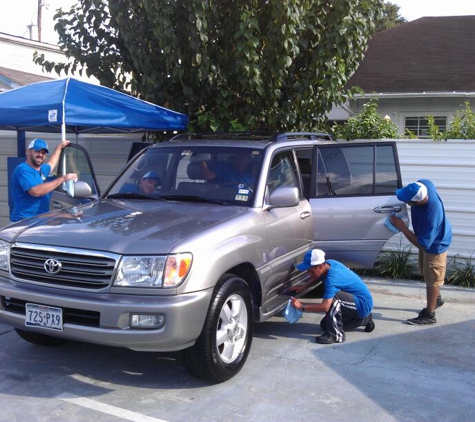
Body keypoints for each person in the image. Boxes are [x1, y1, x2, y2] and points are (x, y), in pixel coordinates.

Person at [390, 179, 452, 325]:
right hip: (427, 238)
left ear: (417, 202)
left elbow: (422, 244)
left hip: (435, 245)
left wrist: (402, 227)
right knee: (426, 272)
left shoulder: (431, 215)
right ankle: (436, 299)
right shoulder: (425, 184)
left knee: (432, 279)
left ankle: (430, 314)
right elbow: (425, 182)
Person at [290, 249, 374, 344]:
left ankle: (336, 335)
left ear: (320, 266)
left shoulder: (332, 279)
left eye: (310, 270)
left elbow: (325, 307)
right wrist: (303, 287)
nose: (309, 273)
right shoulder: (330, 263)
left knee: (334, 298)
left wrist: (302, 307)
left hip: (363, 304)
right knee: (325, 325)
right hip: (354, 300)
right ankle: (364, 319)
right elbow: (316, 276)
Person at [10, 139, 77, 223]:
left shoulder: (41, 170)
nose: (40, 155)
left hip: (38, 221)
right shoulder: (23, 170)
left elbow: (51, 163)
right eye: (37, 151)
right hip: (23, 223)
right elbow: (36, 191)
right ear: (28, 152)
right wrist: (63, 179)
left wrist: (59, 147)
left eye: (43, 153)